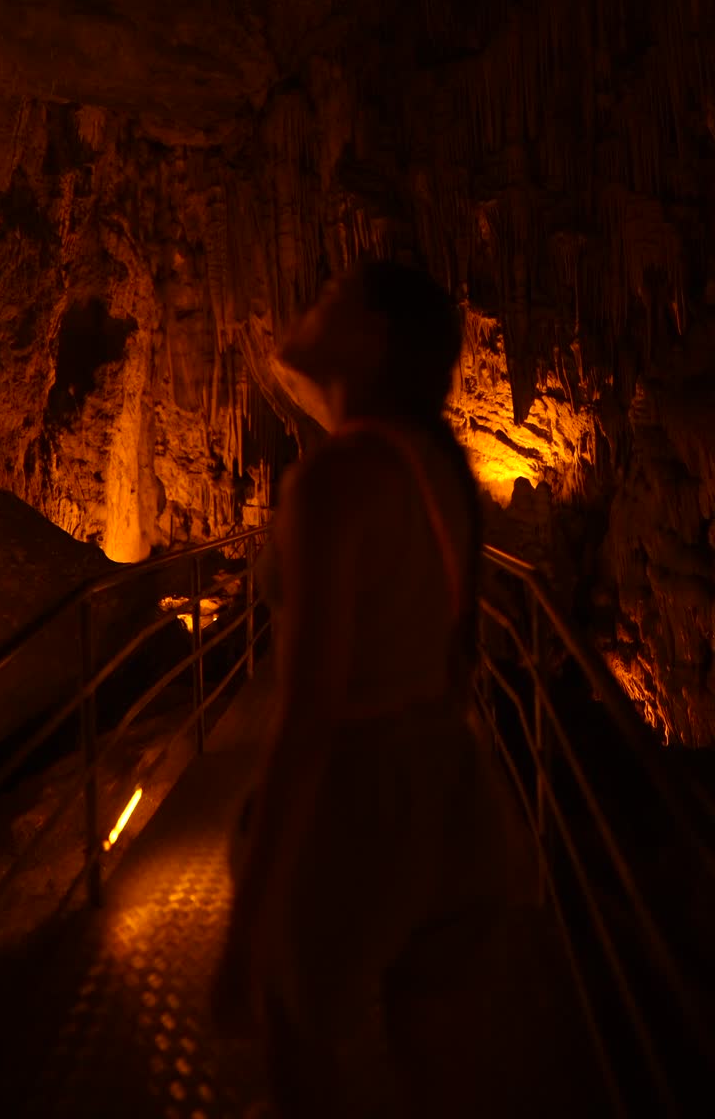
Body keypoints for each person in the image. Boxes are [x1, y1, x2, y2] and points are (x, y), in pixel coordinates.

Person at [212, 260, 513, 1117]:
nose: (306, 306)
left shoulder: (336, 481)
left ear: (373, 340)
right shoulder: (431, 463)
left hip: (356, 801)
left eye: (330, 300)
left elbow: (310, 710)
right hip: (454, 789)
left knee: (302, 1055)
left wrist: (246, 922)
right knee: (437, 1070)